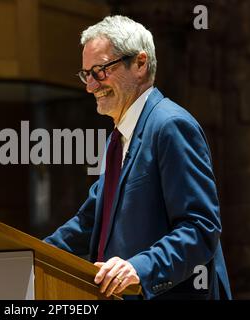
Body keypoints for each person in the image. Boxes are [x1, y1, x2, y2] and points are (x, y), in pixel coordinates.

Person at [44, 15, 232, 300]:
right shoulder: (117, 138)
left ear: (140, 64)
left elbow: (200, 228)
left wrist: (139, 268)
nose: (90, 86)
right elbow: (90, 220)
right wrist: (30, 253)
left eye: (100, 70)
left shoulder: (170, 125)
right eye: (86, 74)